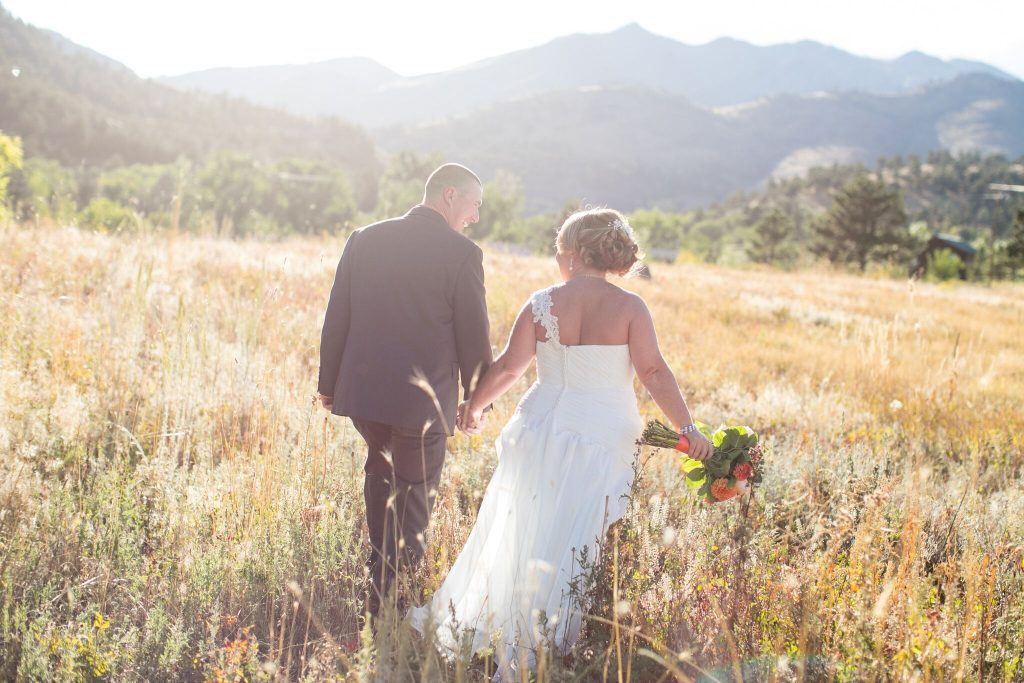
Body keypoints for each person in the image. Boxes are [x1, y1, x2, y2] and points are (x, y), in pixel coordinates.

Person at [408, 207, 712, 679]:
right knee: (579, 533)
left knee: (525, 525)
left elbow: (510, 367)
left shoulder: (543, 302)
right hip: (601, 431)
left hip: (540, 426)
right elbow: (652, 372)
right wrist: (687, 428)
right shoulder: (630, 307)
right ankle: (552, 634)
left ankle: (511, 624)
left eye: (557, 250)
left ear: (571, 253)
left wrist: (476, 406)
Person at [317, 163, 493, 618]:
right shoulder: (462, 254)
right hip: (422, 405)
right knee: (414, 502)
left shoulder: (365, 238)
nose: (474, 216)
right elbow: (474, 337)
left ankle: (380, 585)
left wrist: (328, 384)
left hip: (364, 398)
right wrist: (478, 400)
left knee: (381, 478)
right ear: (450, 195)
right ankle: (392, 609)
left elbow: (337, 315)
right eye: (474, 205)